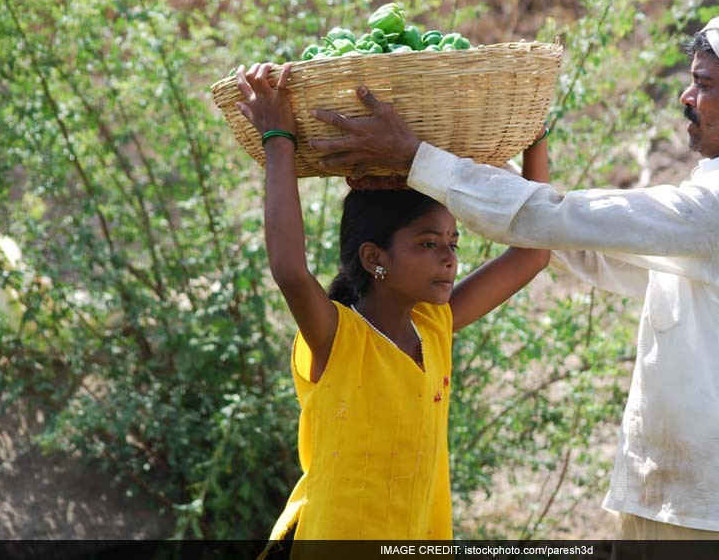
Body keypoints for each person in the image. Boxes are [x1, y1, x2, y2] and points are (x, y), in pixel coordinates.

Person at [307, 0, 719, 541]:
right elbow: (583, 248)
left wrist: (422, 160)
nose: (687, 97)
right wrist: (458, 165)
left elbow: (557, 221)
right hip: (678, 500)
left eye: (704, 85)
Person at [233, 62, 551, 547]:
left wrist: (534, 135)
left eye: (452, 243)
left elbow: (533, 252)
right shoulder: (338, 337)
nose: (448, 259)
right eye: (428, 244)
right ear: (374, 258)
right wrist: (279, 139)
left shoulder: (432, 326)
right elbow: (291, 271)